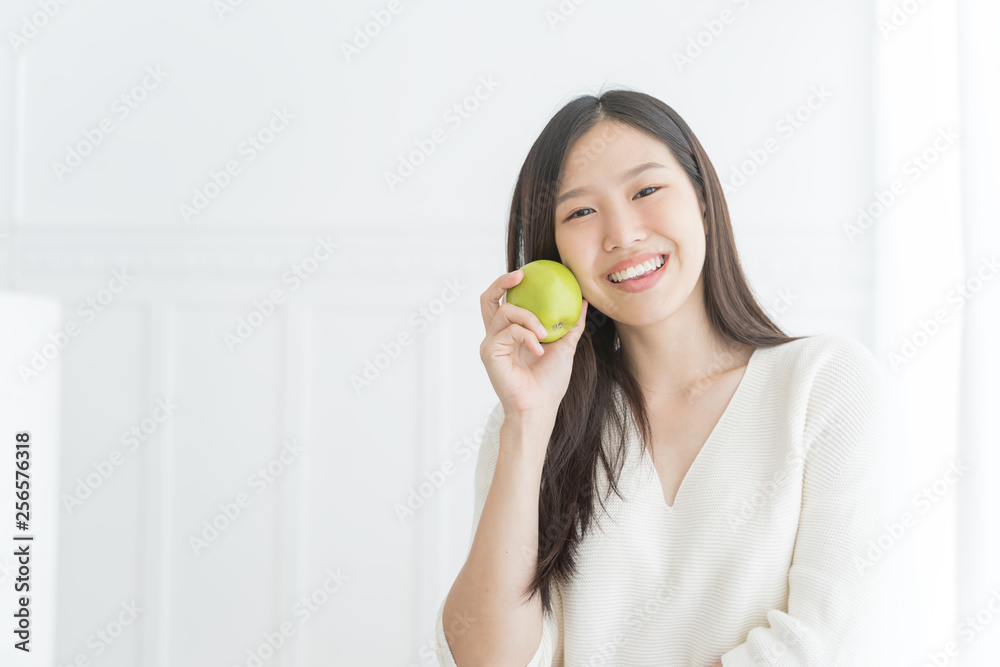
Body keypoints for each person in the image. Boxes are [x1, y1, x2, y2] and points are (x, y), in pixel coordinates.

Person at [434, 88, 891, 666]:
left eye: (646, 190)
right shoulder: (531, 421)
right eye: (580, 211)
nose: (622, 234)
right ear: (555, 255)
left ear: (701, 199)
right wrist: (528, 422)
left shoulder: (823, 383)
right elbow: (487, 658)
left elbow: (827, 643)